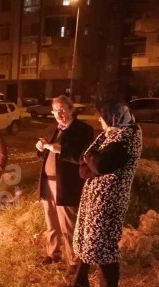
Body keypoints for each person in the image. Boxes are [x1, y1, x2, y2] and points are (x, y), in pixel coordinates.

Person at [64, 100, 142, 287]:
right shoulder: (109, 135)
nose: (99, 120)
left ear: (114, 117)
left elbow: (99, 164)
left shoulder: (127, 137)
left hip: (109, 200)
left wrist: (91, 159)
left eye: (102, 116)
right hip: (94, 196)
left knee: (103, 244)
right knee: (86, 236)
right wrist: (92, 162)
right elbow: (85, 166)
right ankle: (80, 281)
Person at [36, 95, 94, 273]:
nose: (59, 114)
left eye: (63, 110)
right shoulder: (53, 129)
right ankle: (53, 253)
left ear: (71, 109)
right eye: (56, 110)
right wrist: (40, 147)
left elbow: (85, 157)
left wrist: (62, 149)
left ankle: (74, 262)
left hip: (67, 184)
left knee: (68, 224)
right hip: (48, 183)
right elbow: (46, 153)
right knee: (51, 223)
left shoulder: (83, 130)